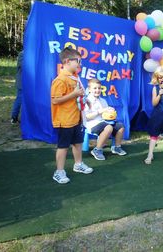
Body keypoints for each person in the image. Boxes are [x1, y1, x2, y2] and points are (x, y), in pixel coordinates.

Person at [51, 47, 93, 184]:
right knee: (63, 146)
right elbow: (55, 100)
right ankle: (59, 171)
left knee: (78, 143)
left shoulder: (74, 77)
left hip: (76, 118)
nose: (80, 64)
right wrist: (74, 94)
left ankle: (78, 164)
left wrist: (84, 100)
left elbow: (78, 96)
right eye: (78, 61)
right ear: (67, 61)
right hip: (65, 120)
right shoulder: (60, 80)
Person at [84, 78, 127, 160]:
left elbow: (105, 114)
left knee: (120, 126)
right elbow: (86, 117)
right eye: (95, 88)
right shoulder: (87, 101)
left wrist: (110, 112)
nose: (97, 90)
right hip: (92, 123)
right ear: (89, 90)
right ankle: (97, 150)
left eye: (99, 88)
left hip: (104, 121)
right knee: (108, 128)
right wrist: (100, 111)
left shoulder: (103, 100)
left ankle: (116, 147)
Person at [11, 50, 23, 124]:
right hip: (22, 82)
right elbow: (24, 66)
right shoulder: (23, 54)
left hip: (29, 82)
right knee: (20, 99)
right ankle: (14, 117)